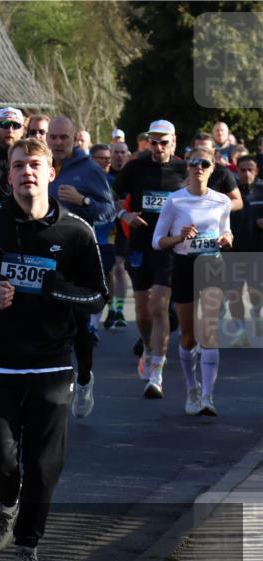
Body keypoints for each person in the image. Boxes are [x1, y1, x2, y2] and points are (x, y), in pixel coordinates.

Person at [0, 137, 107, 561]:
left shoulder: (76, 232)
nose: (26, 173)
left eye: (35, 165)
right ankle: (6, 502)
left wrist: (56, 289)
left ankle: (27, 550)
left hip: (52, 365)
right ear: (8, 174)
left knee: (44, 466)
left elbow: (98, 296)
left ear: (50, 173)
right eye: (18, 165)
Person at [151, 146, 232, 416]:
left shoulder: (222, 201)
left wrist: (227, 239)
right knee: (188, 335)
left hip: (211, 264)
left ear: (212, 169)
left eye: (204, 164)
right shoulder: (175, 201)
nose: (199, 167)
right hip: (184, 265)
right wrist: (179, 238)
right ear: (187, 167)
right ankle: (192, 388)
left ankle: (208, 396)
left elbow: (226, 231)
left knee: (208, 332)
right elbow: (157, 241)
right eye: (194, 163)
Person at [47, 117, 116, 419]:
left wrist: (83, 199)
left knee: (80, 331)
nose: (58, 143)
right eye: (54, 137)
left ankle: (84, 376)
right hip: (46, 258)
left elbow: (109, 211)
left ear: (74, 139)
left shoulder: (89, 170)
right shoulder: (38, 164)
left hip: (80, 258)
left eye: (64, 137)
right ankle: (51, 386)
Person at [112, 120, 187, 397]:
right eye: (153, 142)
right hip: (140, 245)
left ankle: (156, 374)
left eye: (163, 142)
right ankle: (146, 345)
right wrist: (125, 215)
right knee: (143, 313)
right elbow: (114, 195)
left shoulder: (183, 170)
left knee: (159, 307)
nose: (158, 148)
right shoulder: (135, 167)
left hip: (169, 247)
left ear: (173, 142)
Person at [226, 155, 263, 344]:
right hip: (234, 251)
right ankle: (240, 330)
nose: (247, 173)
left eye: (251, 170)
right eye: (243, 170)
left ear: (256, 171)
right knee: (234, 292)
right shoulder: (231, 192)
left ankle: (256, 310)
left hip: (258, 251)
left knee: (257, 292)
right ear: (237, 171)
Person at [106, 142, 133, 329]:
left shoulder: (134, 177)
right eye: (116, 152)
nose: (119, 156)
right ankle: (111, 309)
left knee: (120, 267)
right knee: (108, 270)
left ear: (128, 155)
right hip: (107, 227)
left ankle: (120, 310)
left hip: (125, 227)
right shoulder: (104, 177)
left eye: (123, 152)